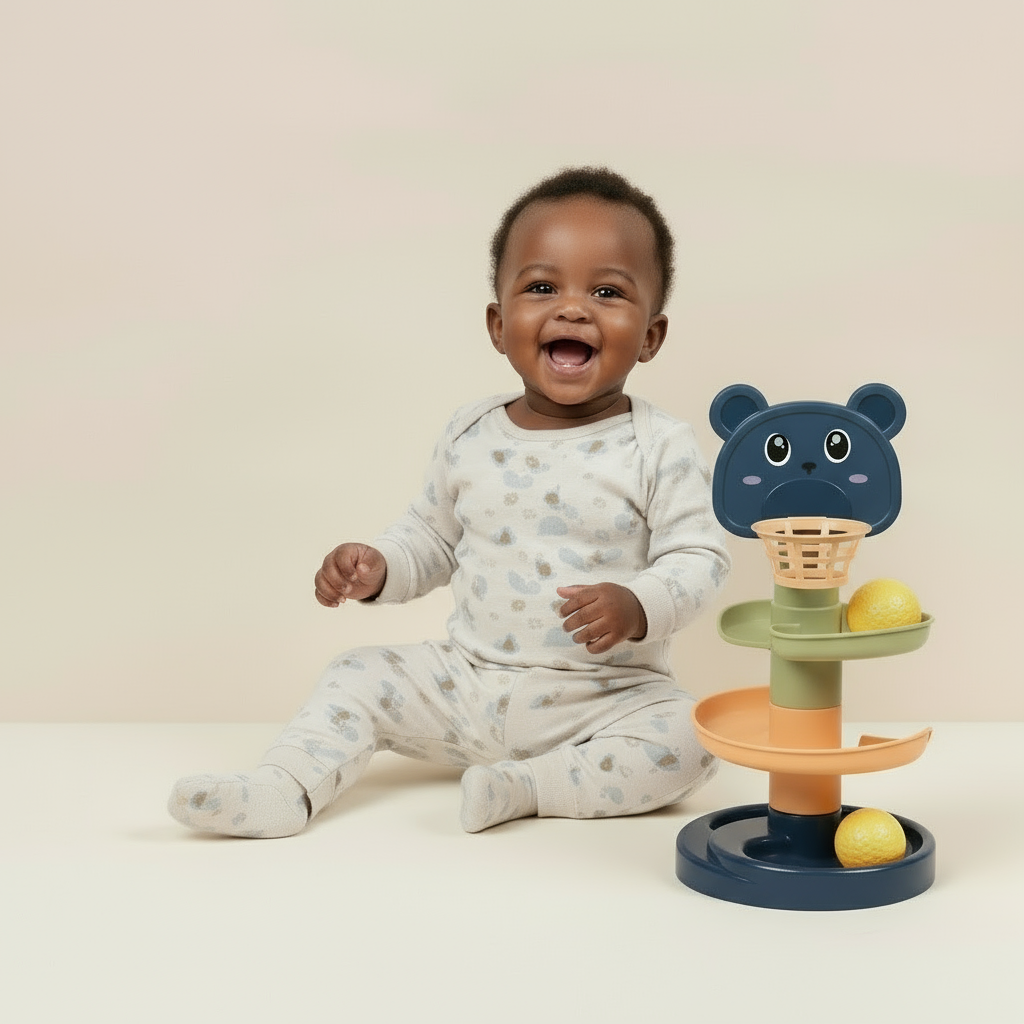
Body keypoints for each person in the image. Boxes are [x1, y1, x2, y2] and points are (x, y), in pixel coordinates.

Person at [168, 166, 731, 838]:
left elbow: (699, 558)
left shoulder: (659, 444)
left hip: (602, 699)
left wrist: (638, 605)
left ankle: (530, 786)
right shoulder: (471, 432)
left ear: (651, 336)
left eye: (607, 291)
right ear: (498, 323)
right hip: (465, 684)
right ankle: (282, 788)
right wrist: (379, 565)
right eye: (542, 287)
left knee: (689, 738)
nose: (573, 309)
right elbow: (432, 539)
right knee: (354, 672)